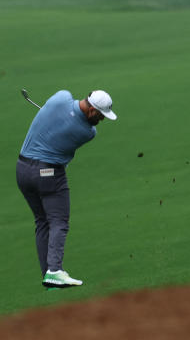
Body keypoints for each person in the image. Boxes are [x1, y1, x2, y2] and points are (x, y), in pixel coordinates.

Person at [16, 89, 117, 288]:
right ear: (92, 112)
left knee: (42, 222)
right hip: (48, 174)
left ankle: (48, 274)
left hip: (22, 171)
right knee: (58, 221)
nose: (101, 121)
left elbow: (55, 110)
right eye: (101, 116)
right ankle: (55, 270)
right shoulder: (88, 132)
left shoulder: (61, 97)